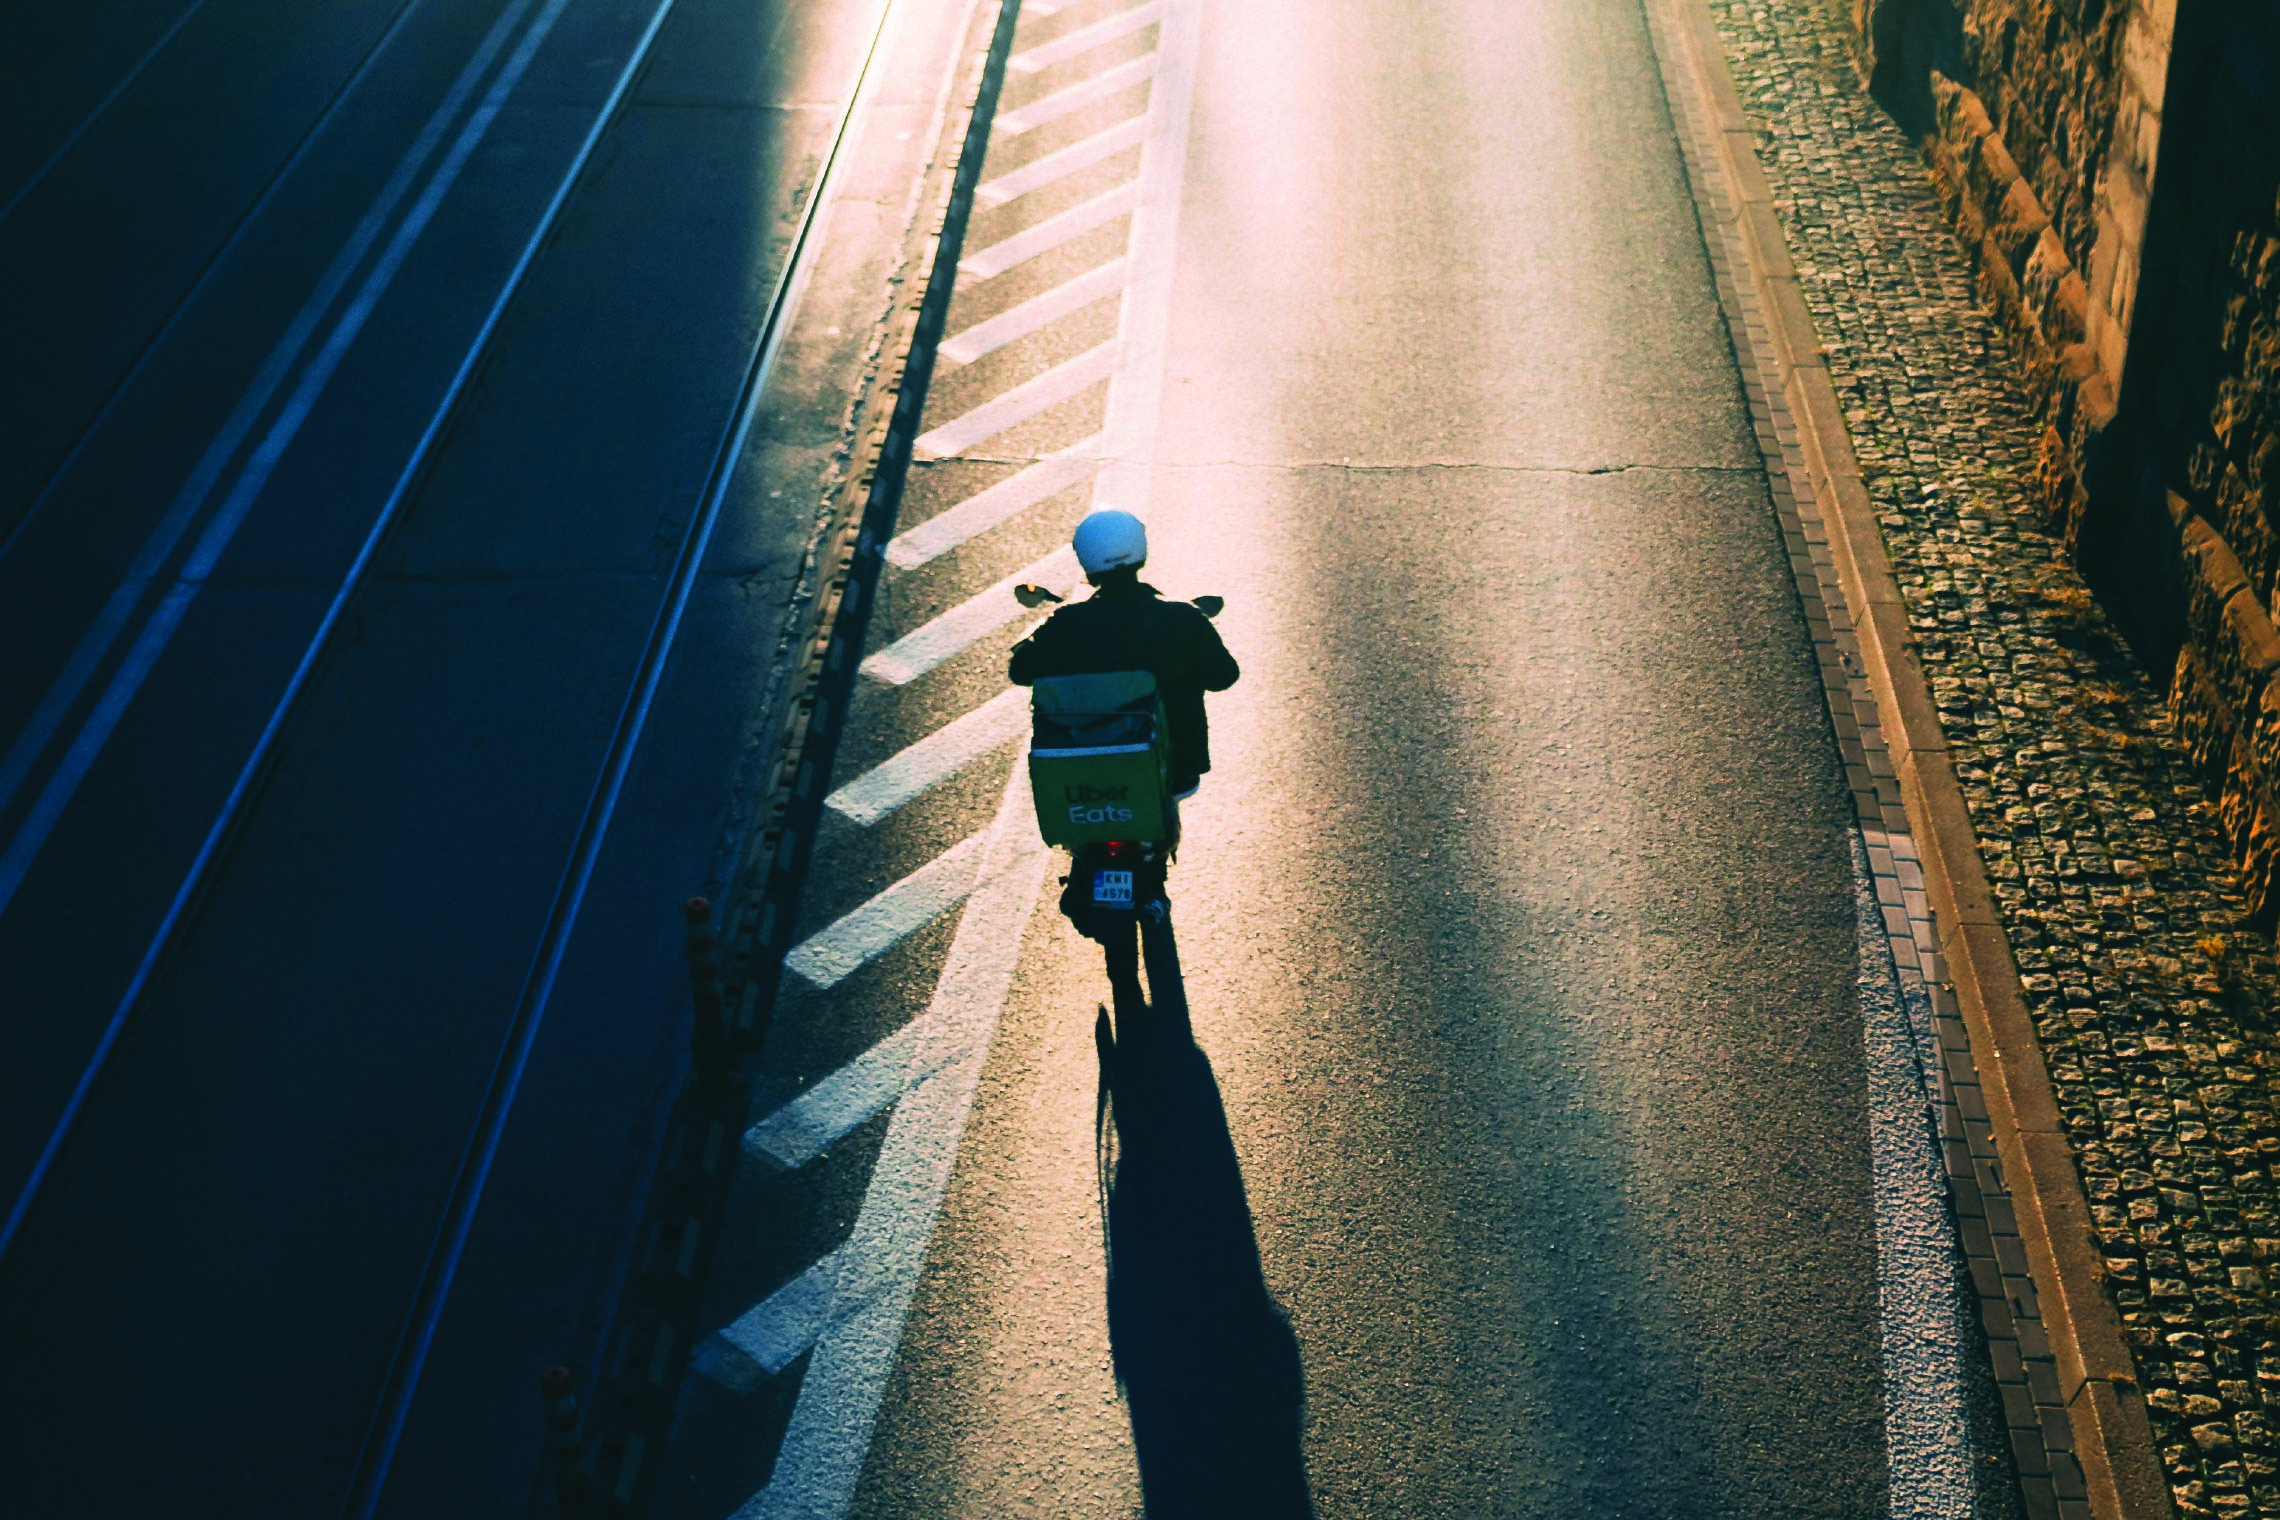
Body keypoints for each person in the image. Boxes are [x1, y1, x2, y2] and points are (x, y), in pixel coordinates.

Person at [1008, 509, 1239, 802]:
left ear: (1086, 559)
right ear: (1140, 551)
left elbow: (1021, 671)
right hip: (1174, 766)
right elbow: (1223, 676)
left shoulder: (1066, 622)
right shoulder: (1181, 617)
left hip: (1083, 764)